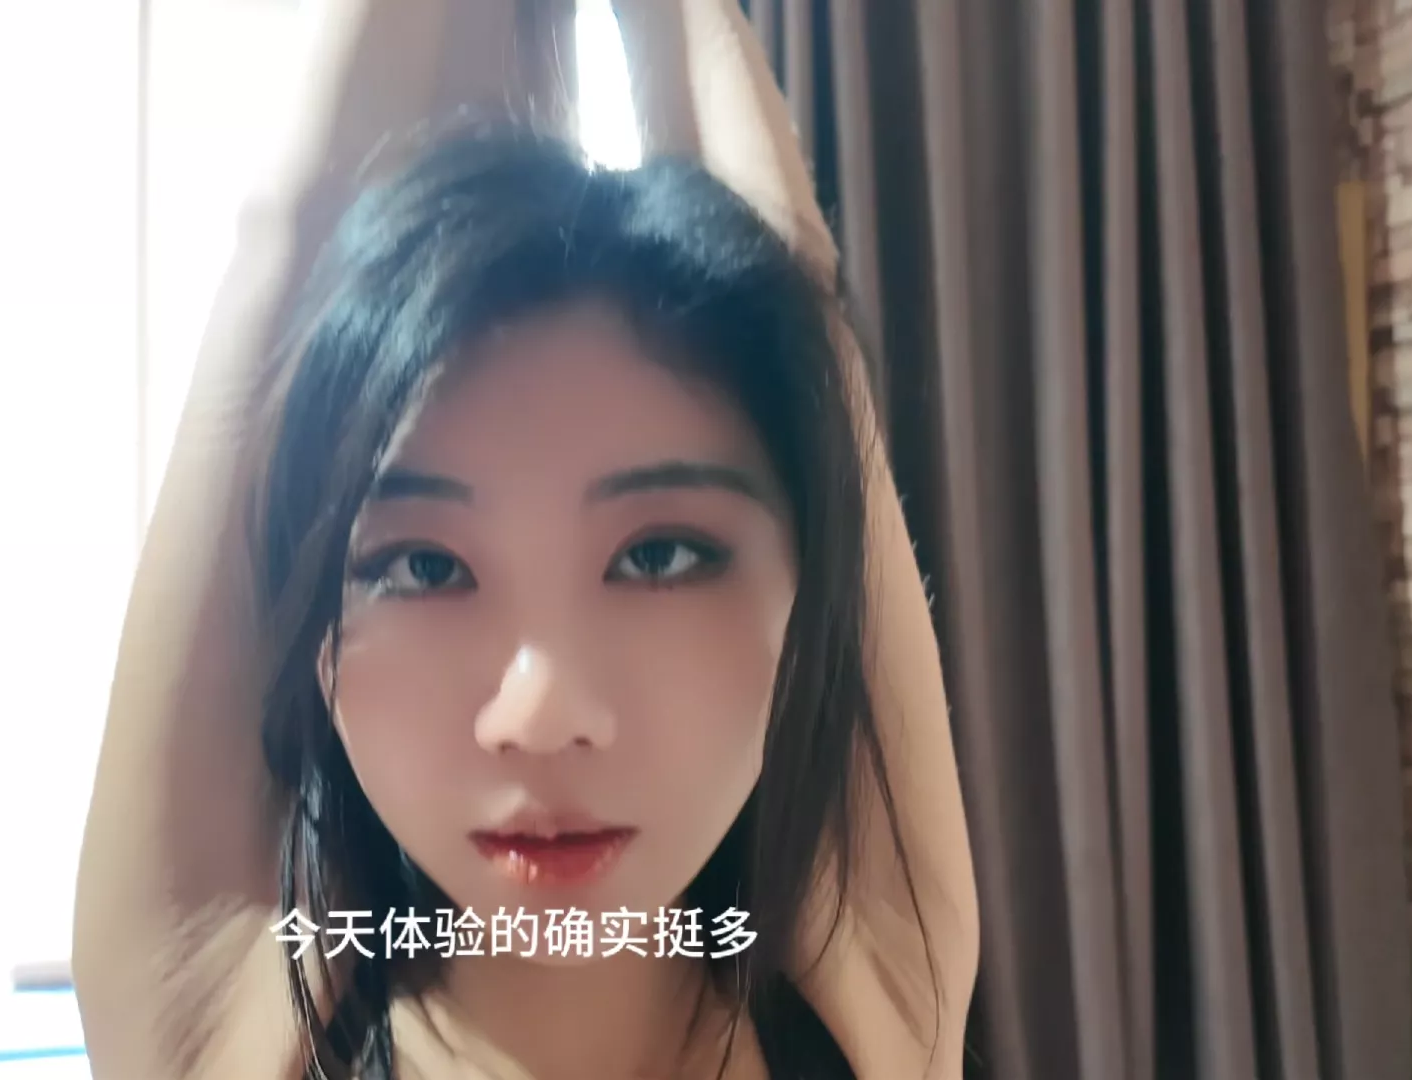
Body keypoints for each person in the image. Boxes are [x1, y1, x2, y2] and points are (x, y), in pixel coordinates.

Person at [72, 3, 978, 1078]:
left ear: (807, 596)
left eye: (659, 556)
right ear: (314, 633)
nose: (541, 717)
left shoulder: (870, 1001)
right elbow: (290, 252)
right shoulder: (227, 1031)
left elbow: (794, 279)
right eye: (425, 566)